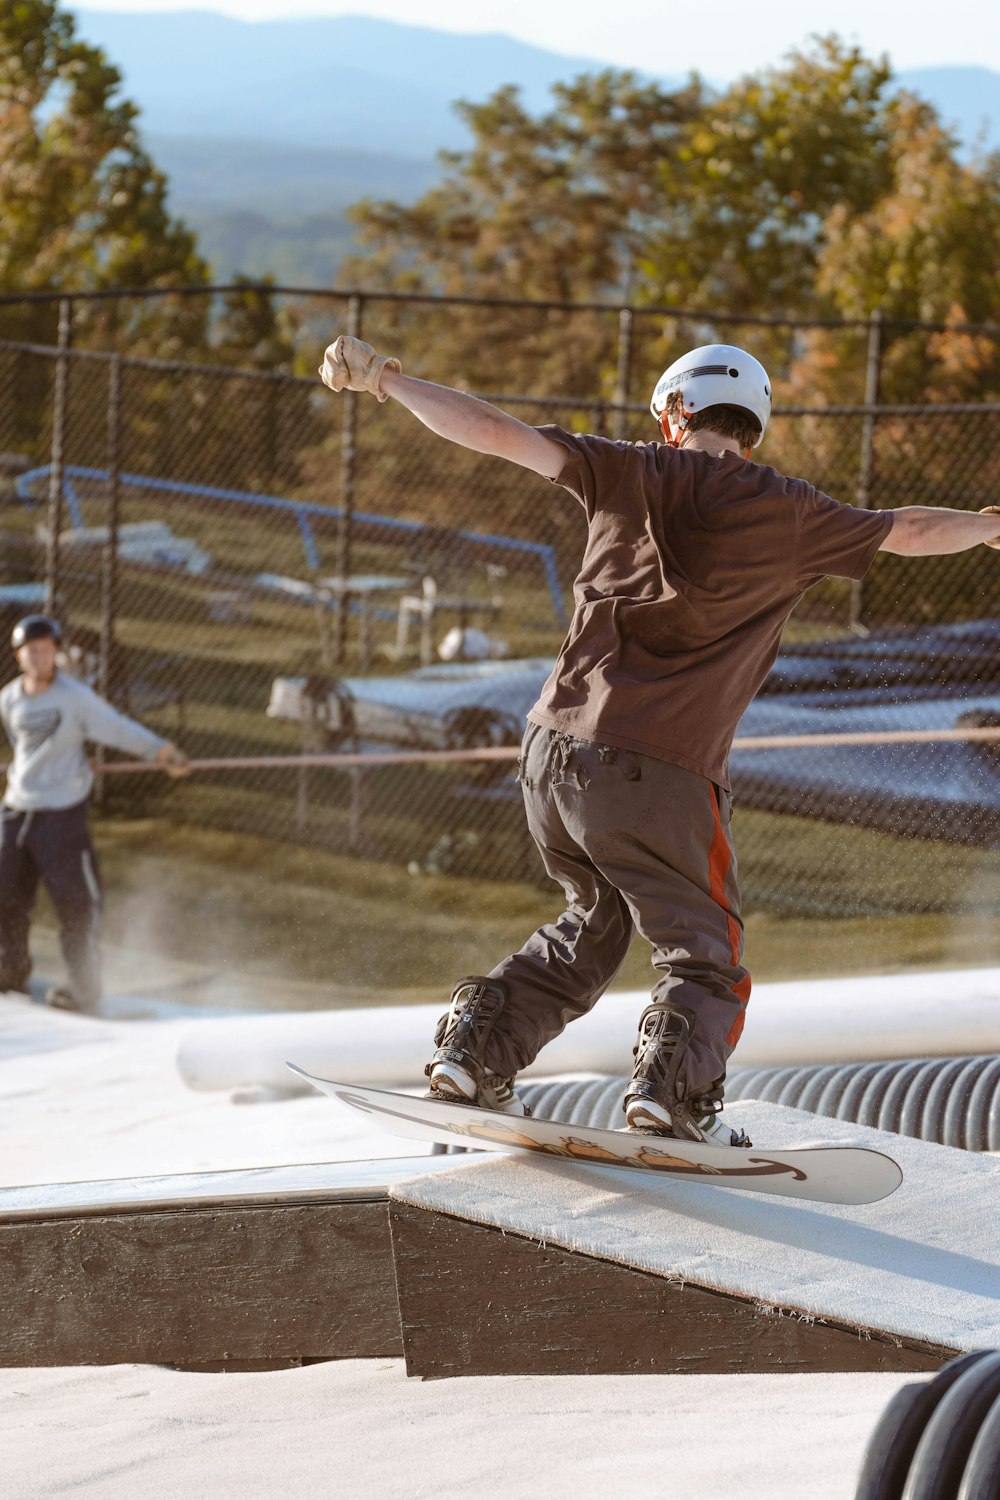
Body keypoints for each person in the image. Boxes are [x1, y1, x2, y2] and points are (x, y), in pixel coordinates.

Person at [319, 335, 1000, 1146]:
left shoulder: (625, 467)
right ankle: (671, 1099)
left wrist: (391, 380)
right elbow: (914, 529)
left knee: (593, 920)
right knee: (705, 955)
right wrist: (990, 527)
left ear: (676, 413)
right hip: (661, 771)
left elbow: (494, 431)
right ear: (754, 426)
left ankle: (473, 1052)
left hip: (549, 751)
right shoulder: (793, 512)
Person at [0, 615, 190, 1012]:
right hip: (17, 811)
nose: (39, 657)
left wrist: (160, 751)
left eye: (46, 650)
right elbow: (23, 747)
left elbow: (116, 728)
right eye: (31, 651)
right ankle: (9, 972)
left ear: (57, 654)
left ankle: (83, 987)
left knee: (75, 902)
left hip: (60, 816)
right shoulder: (9, 699)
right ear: (19, 656)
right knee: (8, 900)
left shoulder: (74, 697)